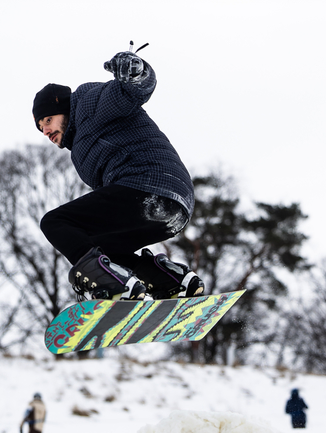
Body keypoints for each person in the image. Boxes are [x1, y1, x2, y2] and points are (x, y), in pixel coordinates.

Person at [33, 49, 205, 302]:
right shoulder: (80, 146)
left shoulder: (88, 103)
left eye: (48, 120)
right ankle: (169, 281)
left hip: (150, 186)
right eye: (40, 128)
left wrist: (135, 71)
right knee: (97, 246)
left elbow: (132, 91)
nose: (46, 131)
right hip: (174, 207)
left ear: (64, 108)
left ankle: (114, 285)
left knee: (55, 222)